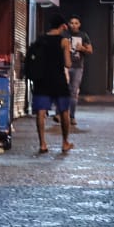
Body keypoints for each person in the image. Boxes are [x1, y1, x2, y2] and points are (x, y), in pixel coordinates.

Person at [32, 14, 74, 154]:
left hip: (42, 80)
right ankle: (65, 142)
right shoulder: (64, 41)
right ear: (62, 26)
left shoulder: (40, 39)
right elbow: (68, 64)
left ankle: (42, 143)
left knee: (41, 112)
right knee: (64, 111)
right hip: (58, 79)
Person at [64, 15, 93, 127]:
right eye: (72, 23)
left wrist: (82, 49)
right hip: (65, 66)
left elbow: (90, 50)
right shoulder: (65, 35)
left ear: (79, 24)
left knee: (73, 91)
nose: (74, 25)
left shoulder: (83, 35)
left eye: (76, 23)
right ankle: (60, 114)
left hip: (77, 67)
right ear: (68, 24)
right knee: (63, 90)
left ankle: (72, 116)